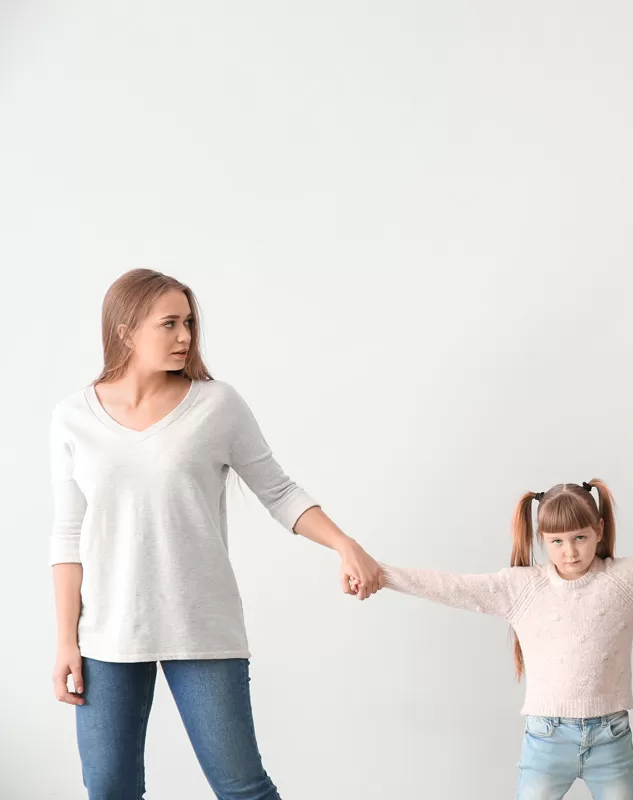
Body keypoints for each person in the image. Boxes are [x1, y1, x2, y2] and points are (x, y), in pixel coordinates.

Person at [49, 268, 385, 799]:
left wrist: (345, 544)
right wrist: (66, 640)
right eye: (169, 324)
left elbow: (279, 491)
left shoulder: (217, 405)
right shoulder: (73, 417)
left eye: (188, 322)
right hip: (106, 636)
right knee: (109, 790)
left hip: (201, 626)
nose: (185, 336)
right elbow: (68, 536)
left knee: (242, 788)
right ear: (125, 329)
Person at [368, 479, 633, 799]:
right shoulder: (522, 587)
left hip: (611, 740)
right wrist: (379, 574)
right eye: (557, 542)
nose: (570, 552)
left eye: (580, 538)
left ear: (599, 530)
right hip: (545, 741)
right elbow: (449, 586)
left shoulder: (627, 580)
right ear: (542, 541)